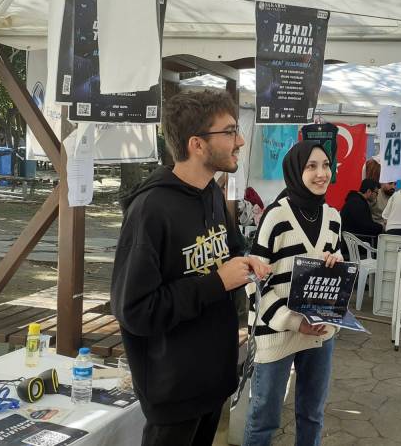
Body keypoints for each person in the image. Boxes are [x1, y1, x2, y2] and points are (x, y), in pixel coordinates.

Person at [111, 90, 271, 446]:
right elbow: (134, 310)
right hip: (173, 392)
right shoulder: (150, 210)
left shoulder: (212, 193)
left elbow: (228, 252)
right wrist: (217, 282)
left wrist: (245, 262)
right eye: (230, 131)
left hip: (213, 379)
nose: (240, 141)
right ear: (197, 144)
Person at [243, 141, 343, 445]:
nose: (321, 173)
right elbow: (255, 282)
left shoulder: (333, 217)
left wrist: (336, 265)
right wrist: (294, 321)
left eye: (326, 165)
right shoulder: (276, 216)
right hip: (277, 331)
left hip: (319, 331)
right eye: (311, 166)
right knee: (264, 419)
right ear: (295, 171)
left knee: (312, 415)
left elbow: (335, 269)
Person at [340, 178, 384, 244]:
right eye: (376, 193)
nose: (377, 196)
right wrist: (381, 227)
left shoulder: (354, 200)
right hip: (356, 244)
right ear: (369, 191)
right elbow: (366, 227)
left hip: (349, 241)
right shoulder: (358, 204)